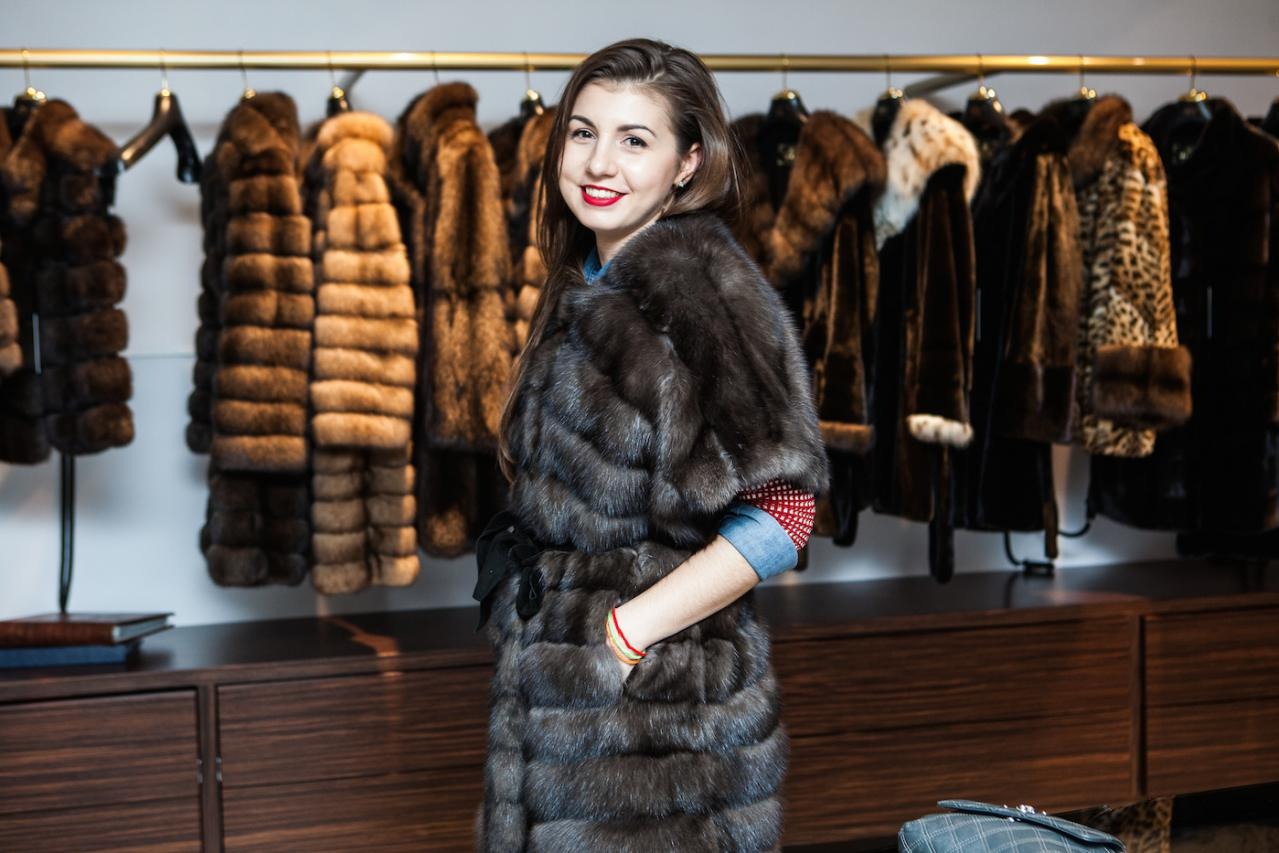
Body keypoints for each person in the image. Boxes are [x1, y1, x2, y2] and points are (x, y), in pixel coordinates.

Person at [475, 37, 830, 851]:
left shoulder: (698, 291)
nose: (598, 162)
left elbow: (783, 513)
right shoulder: (591, 282)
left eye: (634, 140)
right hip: (566, 704)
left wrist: (622, 636)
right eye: (583, 132)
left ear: (686, 163)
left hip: (657, 732)